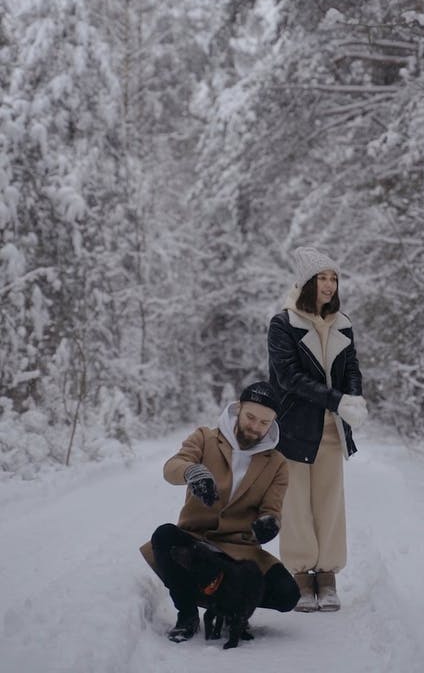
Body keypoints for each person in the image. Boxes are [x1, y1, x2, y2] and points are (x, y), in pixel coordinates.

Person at [139, 381, 300, 642]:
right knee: (164, 536)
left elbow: (272, 508)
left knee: (288, 595)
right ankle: (187, 613)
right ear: (239, 408)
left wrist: (269, 523)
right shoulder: (205, 437)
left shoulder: (277, 463)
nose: (255, 426)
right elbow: (173, 466)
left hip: (240, 555)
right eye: (250, 417)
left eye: (264, 422)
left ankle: (233, 607)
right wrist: (191, 472)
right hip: (197, 544)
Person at [268, 246, 367, 613]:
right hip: (293, 428)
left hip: (331, 429)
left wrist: (354, 399)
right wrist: (335, 399)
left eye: (333, 278)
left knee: (330, 503)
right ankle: (300, 574)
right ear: (307, 282)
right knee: (296, 505)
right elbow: (287, 377)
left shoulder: (343, 323)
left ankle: (326, 577)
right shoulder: (283, 324)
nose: (329, 285)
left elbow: (352, 367)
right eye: (322, 278)